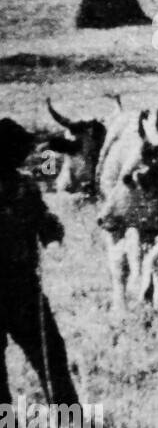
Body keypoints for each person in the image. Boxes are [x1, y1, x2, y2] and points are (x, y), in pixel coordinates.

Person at [0, 117, 78, 408]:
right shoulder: (24, 186)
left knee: (50, 353)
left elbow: (45, 222)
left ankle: (67, 421)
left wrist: (52, 239)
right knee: (45, 356)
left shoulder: (25, 187)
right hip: (18, 285)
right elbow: (45, 222)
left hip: (23, 287)